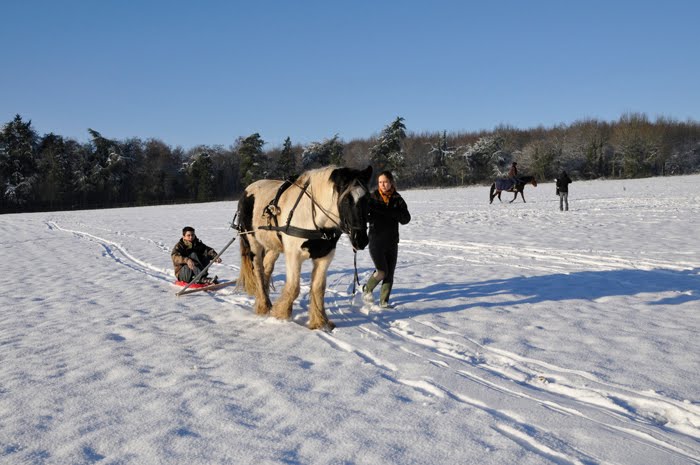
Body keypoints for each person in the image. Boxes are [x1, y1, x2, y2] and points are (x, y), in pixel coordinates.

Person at [363, 171, 411, 308]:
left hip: (391, 241)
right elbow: (364, 217)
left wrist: (391, 212)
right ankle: (367, 289)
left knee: (389, 273)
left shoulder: (397, 199)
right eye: (380, 182)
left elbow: (406, 219)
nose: (382, 185)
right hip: (375, 240)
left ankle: (384, 302)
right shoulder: (372, 198)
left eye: (385, 182)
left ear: (391, 182)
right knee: (382, 271)